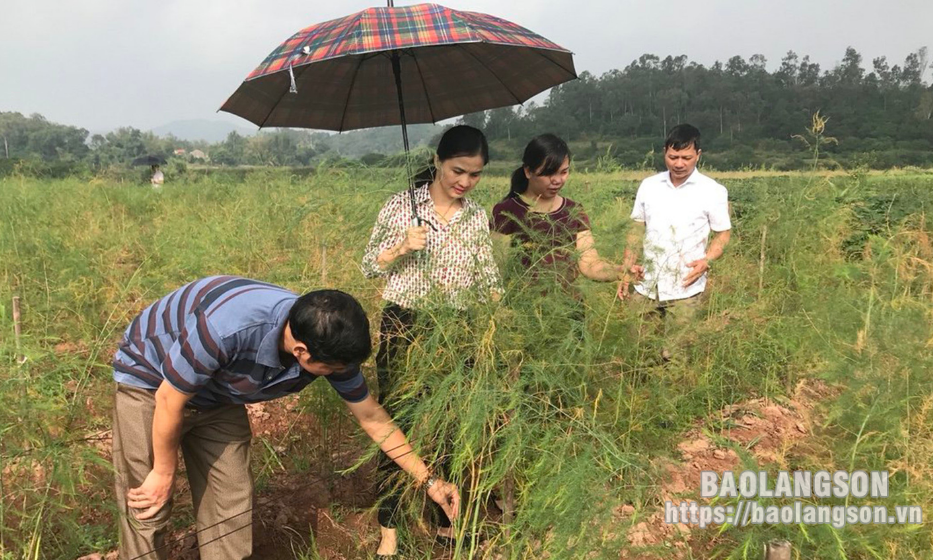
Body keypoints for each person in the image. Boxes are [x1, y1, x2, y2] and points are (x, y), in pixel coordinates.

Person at [111, 276, 459, 560]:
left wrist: (428, 481)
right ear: (301, 352)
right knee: (149, 501)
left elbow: (372, 418)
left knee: (231, 496)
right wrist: (163, 471)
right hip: (151, 380)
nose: (339, 374)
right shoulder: (228, 327)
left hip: (218, 394)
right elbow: (169, 398)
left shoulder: (328, 341)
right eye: (333, 370)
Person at [361, 125, 501, 556]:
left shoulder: (476, 215)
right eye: (458, 170)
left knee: (448, 420)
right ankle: (390, 525)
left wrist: (497, 313)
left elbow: (488, 277)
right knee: (396, 419)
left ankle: (445, 518)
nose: (464, 182)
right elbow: (369, 265)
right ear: (438, 162)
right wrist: (402, 246)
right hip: (405, 325)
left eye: (475, 175)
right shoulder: (403, 205)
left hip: (456, 326)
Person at [618, 124, 732, 360]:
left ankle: (672, 389)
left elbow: (723, 234)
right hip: (646, 283)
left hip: (686, 286)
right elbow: (636, 228)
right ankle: (640, 391)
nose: (679, 164)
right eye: (673, 157)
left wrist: (707, 260)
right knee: (639, 348)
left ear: (698, 155)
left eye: (686, 157)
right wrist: (627, 267)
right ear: (664, 153)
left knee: (676, 354)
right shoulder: (649, 186)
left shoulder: (713, 191)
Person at [491, 133, 624, 294]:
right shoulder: (508, 211)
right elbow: (496, 268)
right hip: (524, 309)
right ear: (528, 171)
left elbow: (590, 264)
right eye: (548, 173)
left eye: (563, 172)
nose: (557, 180)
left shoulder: (573, 211)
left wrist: (620, 271)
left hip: (568, 310)